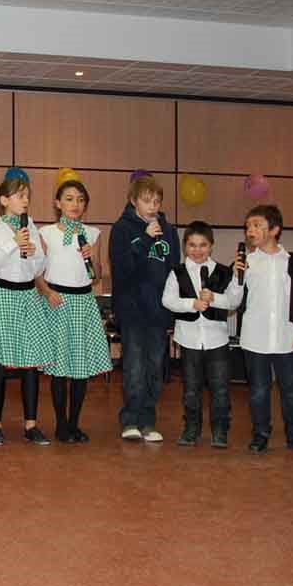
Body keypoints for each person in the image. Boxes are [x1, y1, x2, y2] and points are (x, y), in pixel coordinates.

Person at [0, 176, 52, 446]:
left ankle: (31, 424)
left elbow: (39, 268)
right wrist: (12, 244)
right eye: (20, 195)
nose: (26, 200)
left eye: (27, 195)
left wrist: (35, 253)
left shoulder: (30, 226)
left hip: (28, 295)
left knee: (30, 362)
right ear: (4, 200)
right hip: (2, 295)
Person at [236, 205, 293, 454]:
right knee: (259, 391)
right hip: (255, 338)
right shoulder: (247, 263)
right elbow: (234, 298)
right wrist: (236, 277)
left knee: (291, 391)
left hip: (286, 338)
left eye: (257, 225)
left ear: (274, 230)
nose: (250, 230)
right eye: (248, 226)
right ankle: (260, 434)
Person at [37, 180, 112, 443]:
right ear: (58, 203)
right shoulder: (46, 233)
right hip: (57, 301)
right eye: (69, 199)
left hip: (83, 302)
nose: (75, 204)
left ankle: (74, 423)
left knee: (80, 368)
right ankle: (60, 424)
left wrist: (90, 257)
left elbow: (97, 276)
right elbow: (37, 272)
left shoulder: (93, 234)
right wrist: (47, 292)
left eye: (80, 200)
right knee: (59, 368)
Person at [108, 176, 180, 443]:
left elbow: (174, 269)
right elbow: (122, 268)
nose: (153, 207)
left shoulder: (168, 231)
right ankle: (131, 419)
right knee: (134, 366)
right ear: (133, 201)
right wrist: (143, 240)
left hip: (159, 310)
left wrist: (174, 306)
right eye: (147, 201)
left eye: (157, 201)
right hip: (132, 309)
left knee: (155, 367)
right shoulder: (122, 229)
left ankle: (148, 420)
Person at [161, 221, 243, 448]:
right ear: (185, 246)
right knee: (191, 388)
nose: (197, 250)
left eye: (203, 245)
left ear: (211, 246)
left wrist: (215, 298)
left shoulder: (224, 272)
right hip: (188, 340)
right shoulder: (176, 272)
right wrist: (192, 304)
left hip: (217, 339)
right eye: (192, 245)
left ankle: (220, 430)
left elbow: (234, 301)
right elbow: (168, 300)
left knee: (220, 388)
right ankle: (191, 428)